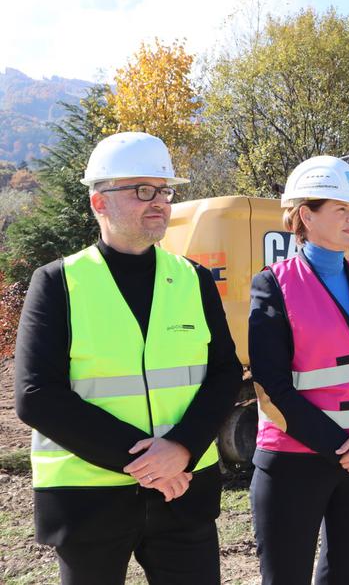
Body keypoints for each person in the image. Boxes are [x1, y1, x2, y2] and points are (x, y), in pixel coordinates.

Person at [14, 131, 242, 584]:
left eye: (164, 190)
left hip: (184, 493)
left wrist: (179, 450)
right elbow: (36, 395)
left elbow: (224, 373)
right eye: (142, 190)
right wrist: (144, 462)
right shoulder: (58, 282)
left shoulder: (193, 279)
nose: (158, 201)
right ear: (100, 203)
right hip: (89, 499)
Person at [247, 156, 349, 584]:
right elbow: (272, 386)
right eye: (340, 209)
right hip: (294, 464)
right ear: (305, 215)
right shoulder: (273, 284)